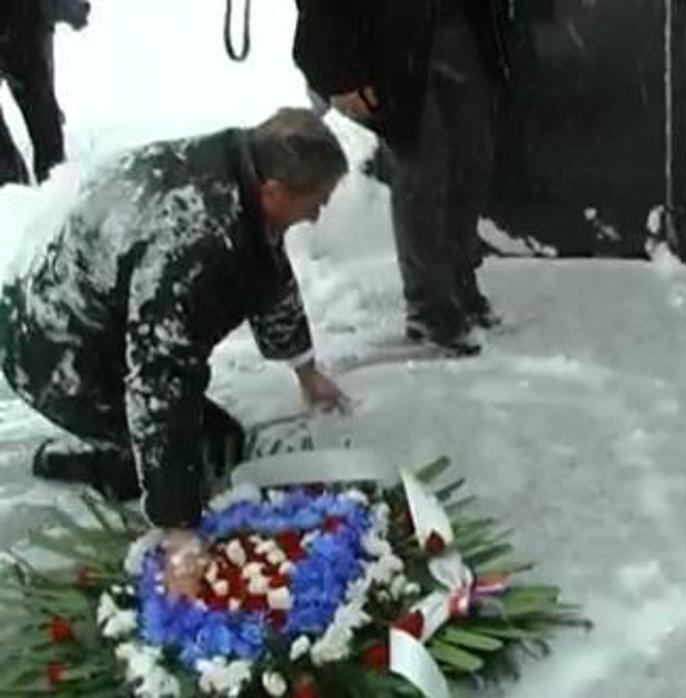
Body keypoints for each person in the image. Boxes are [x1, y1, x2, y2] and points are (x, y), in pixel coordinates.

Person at [1, 109, 350, 595]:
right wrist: (178, 530)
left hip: (78, 313)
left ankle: (133, 454)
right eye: (316, 202)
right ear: (272, 191)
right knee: (207, 450)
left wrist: (305, 371)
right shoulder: (196, 249)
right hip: (56, 359)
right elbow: (160, 385)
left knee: (214, 441)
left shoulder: (239, 168)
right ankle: (97, 461)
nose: (317, 215)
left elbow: (265, 268)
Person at [293, 0, 513, 355]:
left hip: (456, 26)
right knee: (424, 172)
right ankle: (430, 306)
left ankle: (458, 282)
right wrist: (341, 75)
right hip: (391, 44)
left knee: (471, 161)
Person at [0, 0, 89, 186]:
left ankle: (51, 189)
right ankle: (16, 189)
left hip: (25, 29)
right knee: (42, 115)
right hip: (26, 29)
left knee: (43, 119)